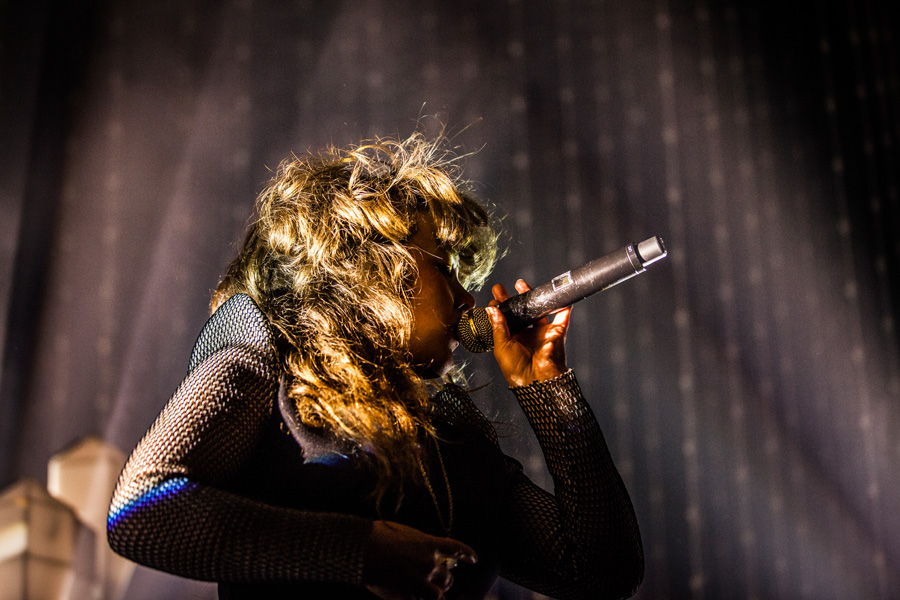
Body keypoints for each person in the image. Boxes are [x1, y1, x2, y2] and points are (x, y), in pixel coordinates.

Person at [107, 133, 644, 600]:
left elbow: (603, 573)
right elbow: (143, 512)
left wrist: (548, 390)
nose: (465, 298)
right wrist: (362, 552)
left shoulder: (454, 434)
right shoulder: (266, 357)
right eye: (444, 269)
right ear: (371, 268)